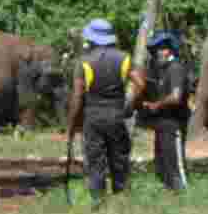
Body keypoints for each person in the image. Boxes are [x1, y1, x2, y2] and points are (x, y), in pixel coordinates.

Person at [68, 17, 133, 202]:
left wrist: (72, 124)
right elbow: (140, 81)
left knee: (95, 161)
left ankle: (98, 201)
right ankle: (122, 199)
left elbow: (77, 97)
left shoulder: (83, 62)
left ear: (91, 39)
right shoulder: (124, 58)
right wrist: (129, 104)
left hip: (93, 118)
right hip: (116, 116)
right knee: (119, 158)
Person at [136, 28, 192, 192]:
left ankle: (184, 195)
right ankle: (169, 193)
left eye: (161, 48)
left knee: (175, 164)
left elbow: (176, 97)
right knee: (162, 163)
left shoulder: (175, 68)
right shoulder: (160, 70)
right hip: (161, 125)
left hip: (174, 123)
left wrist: (155, 105)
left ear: (170, 49)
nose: (157, 52)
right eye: (155, 49)